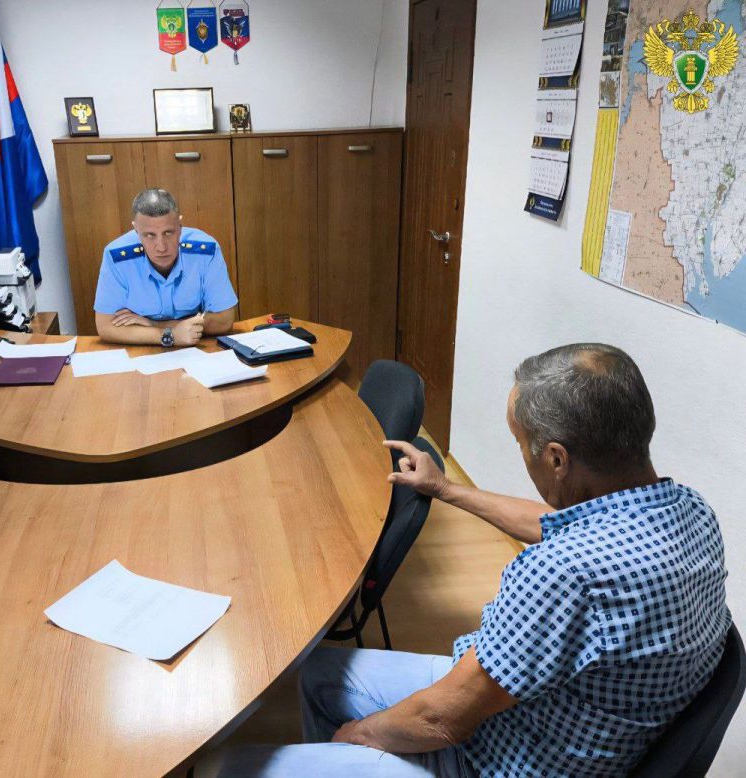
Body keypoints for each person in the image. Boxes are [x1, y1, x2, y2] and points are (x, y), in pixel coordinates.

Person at [217, 343, 730, 777]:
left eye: (521, 445)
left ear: (556, 458)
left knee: (234, 769)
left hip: (499, 757)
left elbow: (442, 721)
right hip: (566, 722)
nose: (522, 457)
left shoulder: (565, 574)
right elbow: (557, 523)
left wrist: (359, 736)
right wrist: (445, 489)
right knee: (320, 673)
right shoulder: (690, 511)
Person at [94, 188, 237, 346]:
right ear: (136, 230)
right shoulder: (117, 257)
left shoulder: (205, 251)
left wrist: (155, 325)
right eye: (150, 235)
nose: (161, 247)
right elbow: (106, 327)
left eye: (168, 233)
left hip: (195, 348)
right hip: (141, 353)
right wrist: (169, 335)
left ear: (180, 226)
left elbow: (224, 320)